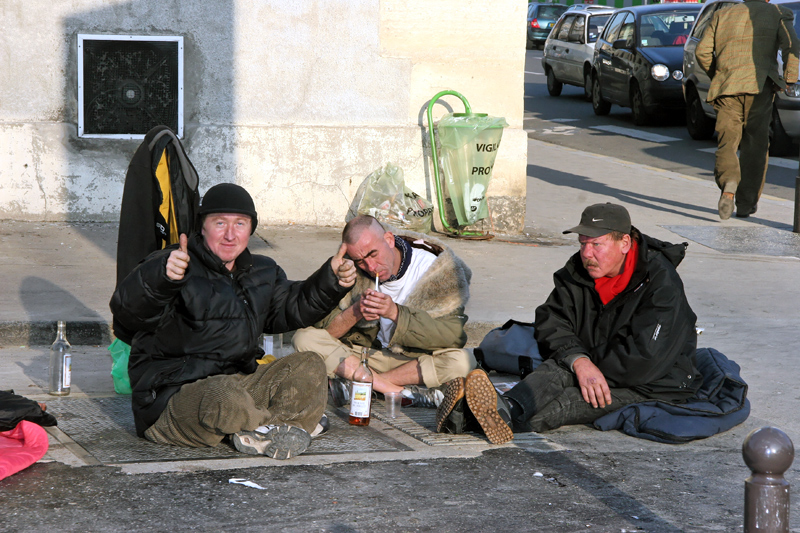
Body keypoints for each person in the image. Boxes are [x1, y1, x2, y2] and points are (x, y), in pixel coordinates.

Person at [110, 183, 356, 459]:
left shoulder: (262, 271)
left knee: (309, 364)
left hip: (238, 387)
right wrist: (161, 279)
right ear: (202, 227)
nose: (230, 234)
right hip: (174, 401)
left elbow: (291, 307)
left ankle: (264, 430)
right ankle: (283, 427)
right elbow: (126, 317)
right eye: (219, 223)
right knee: (222, 392)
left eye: (240, 223)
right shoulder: (173, 264)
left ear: (251, 229)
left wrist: (331, 281)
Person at [436, 203, 703, 444]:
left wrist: (585, 368)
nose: (587, 253)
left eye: (596, 244)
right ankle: (503, 410)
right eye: (582, 243)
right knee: (558, 367)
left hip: (650, 382)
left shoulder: (660, 283)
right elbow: (551, 319)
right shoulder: (578, 270)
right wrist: (578, 360)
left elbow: (645, 358)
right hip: (594, 361)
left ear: (624, 243)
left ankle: (470, 417)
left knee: (567, 401)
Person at [292, 215, 475, 408]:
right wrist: (356, 311)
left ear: (389, 240)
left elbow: (452, 337)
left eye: (373, 254)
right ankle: (397, 392)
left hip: (412, 362)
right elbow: (325, 333)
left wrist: (396, 313)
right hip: (364, 356)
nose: (370, 267)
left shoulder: (437, 271)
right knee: (303, 338)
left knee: (463, 361)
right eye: (360, 261)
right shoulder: (350, 269)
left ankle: (361, 385)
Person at [695, 0, 799, 220]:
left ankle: (729, 186)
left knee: (728, 141)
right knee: (756, 144)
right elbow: (791, 45)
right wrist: (790, 77)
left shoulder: (723, 14)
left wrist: (720, 76)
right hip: (759, 87)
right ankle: (746, 203)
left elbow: (702, 51)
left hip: (727, 87)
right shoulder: (779, 13)